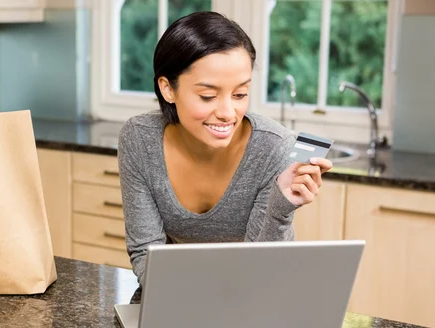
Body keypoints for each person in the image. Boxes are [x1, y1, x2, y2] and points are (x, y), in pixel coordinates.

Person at [118, 11, 332, 286]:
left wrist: (281, 206)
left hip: (265, 291)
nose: (228, 112)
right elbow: (146, 252)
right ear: (167, 89)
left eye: (240, 94)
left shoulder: (273, 147)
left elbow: (259, 272)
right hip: (181, 290)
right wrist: (175, 303)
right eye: (208, 96)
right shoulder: (139, 139)